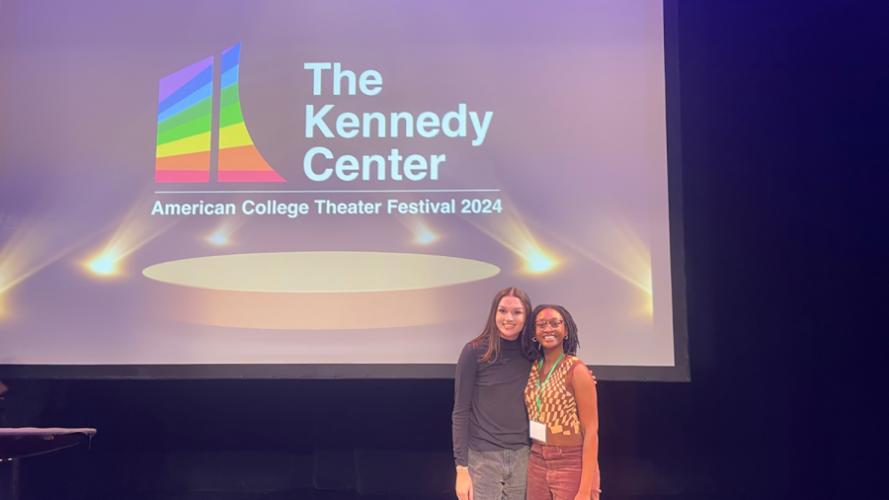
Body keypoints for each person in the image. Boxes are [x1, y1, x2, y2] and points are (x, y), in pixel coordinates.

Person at [452, 287, 534, 500]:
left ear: (527, 316)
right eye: (502, 311)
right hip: (483, 457)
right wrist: (461, 468)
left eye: (517, 312)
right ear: (494, 313)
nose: (509, 318)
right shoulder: (474, 351)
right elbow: (461, 411)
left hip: (523, 456)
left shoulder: (533, 353)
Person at [523, 305, 600, 500]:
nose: (548, 329)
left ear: (565, 330)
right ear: (534, 332)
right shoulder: (532, 368)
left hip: (570, 461)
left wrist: (585, 489)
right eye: (541, 324)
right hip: (537, 460)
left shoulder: (577, 369)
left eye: (555, 323)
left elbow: (591, 431)